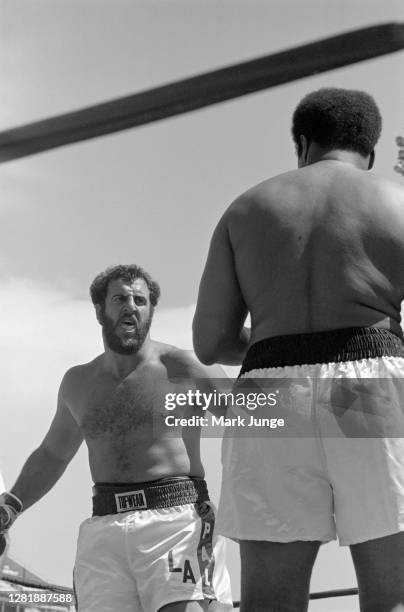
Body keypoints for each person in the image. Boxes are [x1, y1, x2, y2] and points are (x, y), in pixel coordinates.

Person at [192, 88, 404, 612]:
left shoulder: (245, 208)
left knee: (267, 602)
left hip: (267, 388)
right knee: (394, 596)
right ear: (370, 151)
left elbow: (211, 341)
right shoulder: (395, 200)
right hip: (370, 381)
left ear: (303, 144)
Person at [0, 264, 233, 612]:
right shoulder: (78, 383)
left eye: (141, 299)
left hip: (176, 519)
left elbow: (256, 418)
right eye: (120, 298)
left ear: (151, 310)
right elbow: (52, 454)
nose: (131, 306)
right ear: (99, 310)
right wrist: (9, 508)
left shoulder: (186, 368)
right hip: (104, 529)